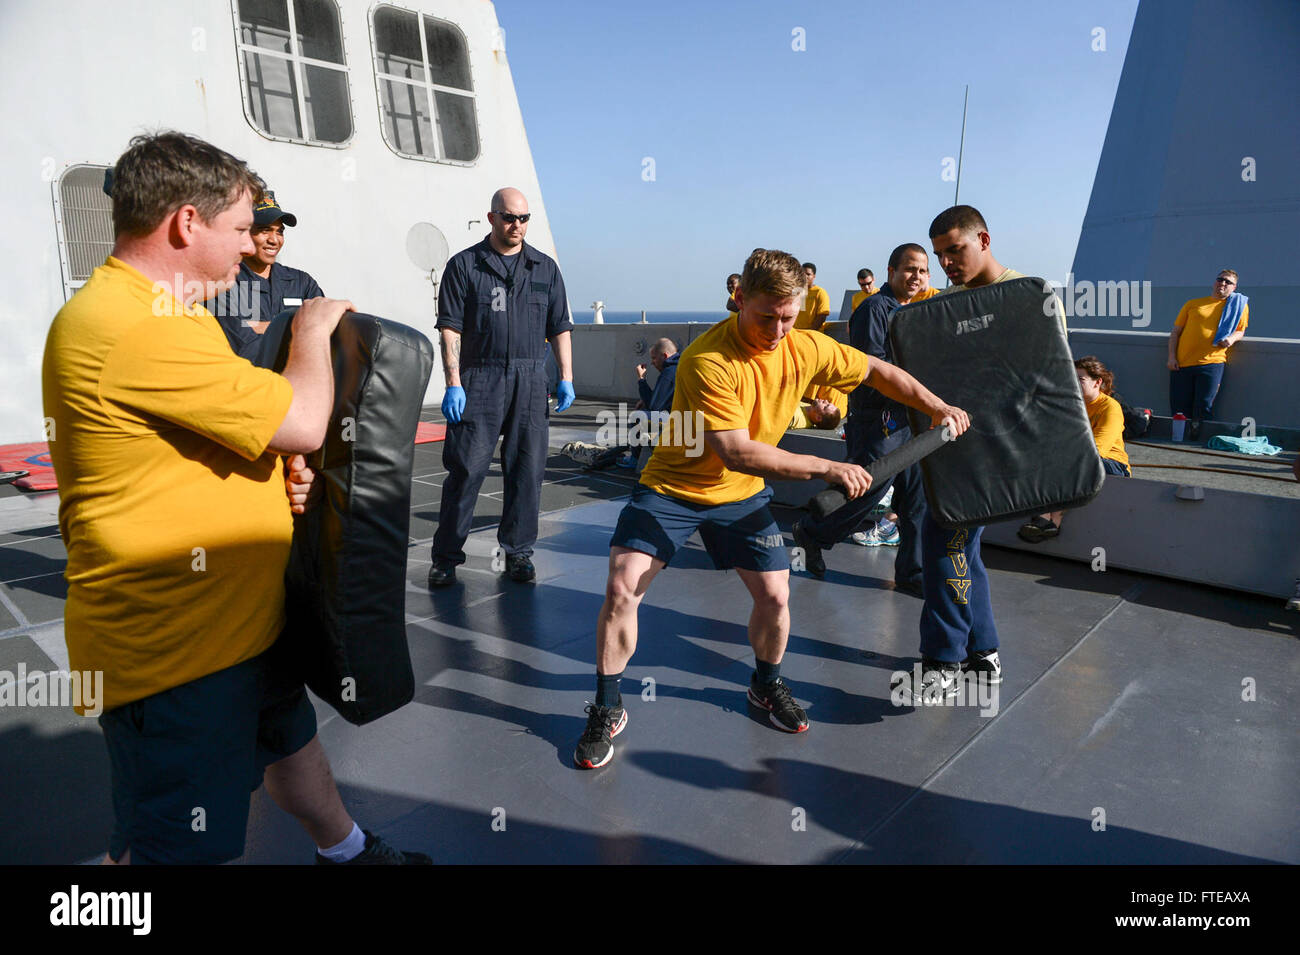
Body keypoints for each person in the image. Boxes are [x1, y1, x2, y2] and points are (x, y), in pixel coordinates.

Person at [41, 132, 428, 865]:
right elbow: (306, 416)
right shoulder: (136, 326)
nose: (253, 245)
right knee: (168, 847)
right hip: (181, 657)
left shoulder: (172, 313)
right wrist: (313, 329)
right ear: (187, 224)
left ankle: (345, 850)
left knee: (290, 742)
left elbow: (215, 438)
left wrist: (273, 481)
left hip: (240, 625)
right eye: (242, 228)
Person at [572, 248, 969, 769]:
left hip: (740, 494)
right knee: (623, 586)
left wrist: (937, 407)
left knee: (776, 596)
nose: (779, 330)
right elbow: (736, 450)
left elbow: (876, 371)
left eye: (789, 317)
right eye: (767, 316)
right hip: (673, 487)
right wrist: (827, 468)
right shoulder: (707, 360)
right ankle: (607, 704)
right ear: (739, 299)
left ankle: (765, 684)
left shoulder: (804, 344)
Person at [898, 204, 1027, 702]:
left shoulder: (1026, 297)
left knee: (944, 544)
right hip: (951, 446)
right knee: (962, 549)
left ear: (984, 239)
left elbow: (1037, 378)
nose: (948, 262)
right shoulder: (946, 305)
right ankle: (984, 652)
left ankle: (944, 660)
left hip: (992, 449)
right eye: (940, 255)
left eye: (956, 250)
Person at [428, 188, 575, 587]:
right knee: (466, 470)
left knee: (526, 471)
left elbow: (560, 326)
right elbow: (450, 329)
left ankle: (518, 554)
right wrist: (453, 383)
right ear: (491, 217)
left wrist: (566, 377)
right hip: (480, 378)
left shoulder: (544, 269)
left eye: (524, 219)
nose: (517, 226)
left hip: (530, 380)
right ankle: (445, 558)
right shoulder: (465, 266)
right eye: (509, 218)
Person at [791, 243, 935, 595]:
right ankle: (812, 532)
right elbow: (873, 367)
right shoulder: (875, 309)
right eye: (909, 269)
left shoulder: (909, 312)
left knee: (917, 497)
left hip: (910, 417)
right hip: (879, 416)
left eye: (922, 271)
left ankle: (912, 573)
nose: (916, 277)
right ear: (891, 272)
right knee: (868, 488)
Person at [1019, 356, 1130, 542]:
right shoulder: (1071, 405)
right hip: (1078, 458)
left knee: (1065, 462)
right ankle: (1052, 523)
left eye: (1081, 379)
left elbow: (1099, 449)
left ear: (1098, 382)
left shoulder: (1110, 407)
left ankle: (1046, 518)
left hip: (1113, 465)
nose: (1074, 383)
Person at [205, 191, 324, 361]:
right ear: (244, 233)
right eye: (265, 230)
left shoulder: (301, 282)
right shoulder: (224, 282)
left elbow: (325, 336)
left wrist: (260, 326)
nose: (274, 240)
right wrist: (300, 329)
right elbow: (243, 346)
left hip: (298, 382)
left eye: (280, 232)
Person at [1167, 270, 1248, 441]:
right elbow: (1175, 332)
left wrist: (1231, 339)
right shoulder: (1193, 304)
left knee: (1204, 406)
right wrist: (1171, 357)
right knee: (1179, 406)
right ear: (1214, 282)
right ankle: (1178, 440)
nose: (1223, 284)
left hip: (1212, 363)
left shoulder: (1238, 306)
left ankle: (1198, 442)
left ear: (1234, 287)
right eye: (1220, 280)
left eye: (1228, 282)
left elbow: (1240, 330)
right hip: (1182, 363)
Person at [635, 338, 680, 471]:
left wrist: (641, 380)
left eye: (654, 358)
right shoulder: (680, 366)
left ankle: (635, 458)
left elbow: (654, 407)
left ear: (665, 356)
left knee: (638, 416)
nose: (652, 363)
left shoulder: (668, 373)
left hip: (675, 419)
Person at [794, 262, 831, 330]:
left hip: (811, 334)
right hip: (796, 333)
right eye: (803, 274)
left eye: (808, 274)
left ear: (814, 276)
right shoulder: (797, 292)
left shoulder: (820, 292)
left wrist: (810, 332)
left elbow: (822, 315)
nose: (805, 276)